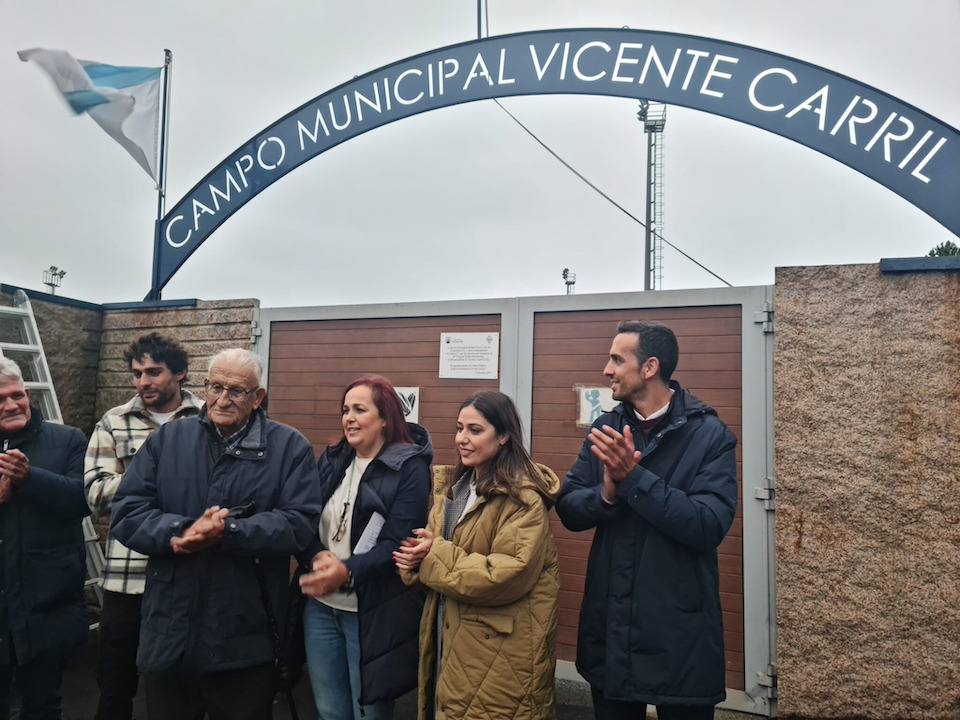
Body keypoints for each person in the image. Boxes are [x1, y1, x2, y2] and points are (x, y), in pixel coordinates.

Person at [110, 348, 322, 720]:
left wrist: (230, 532)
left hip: (243, 638)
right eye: (215, 387)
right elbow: (128, 512)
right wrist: (182, 530)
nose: (222, 399)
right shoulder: (168, 440)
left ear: (258, 397)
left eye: (237, 391)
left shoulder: (290, 448)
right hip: (169, 633)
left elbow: (298, 523)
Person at [555, 321, 738, 720]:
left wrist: (633, 480)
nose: (607, 370)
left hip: (680, 639)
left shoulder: (710, 436)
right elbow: (567, 507)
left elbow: (709, 525)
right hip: (612, 632)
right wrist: (606, 494)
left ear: (650, 366)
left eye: (617, 359)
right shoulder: (606, 429)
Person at [393, 390, 560, 720]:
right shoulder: (454, 488)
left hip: (498, 657)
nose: (462, 439)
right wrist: (414, 560)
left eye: (475, 430)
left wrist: (433, 555)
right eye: (459, 428)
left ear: (503, 437)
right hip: (449, 636)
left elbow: (506, 574)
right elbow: (431, 550)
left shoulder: (523, 498)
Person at [299, 374, 432, 720]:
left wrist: (345, 571)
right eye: (345, 410)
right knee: (330, 711)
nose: (349, 418)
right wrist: (315, 553)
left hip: (371, 612)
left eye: (360, 409)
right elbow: (302, 519)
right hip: (321, 610)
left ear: (386, 418)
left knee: (369, 714)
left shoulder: (410, 467)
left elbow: (397, 542)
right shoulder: (333, 459)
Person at [84, 332, 203, 720]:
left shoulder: (206, 418)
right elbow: (96, 494)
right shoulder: (113, 421)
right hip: (125, 579)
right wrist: (157, 475)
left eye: (154, 372)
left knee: (178, 687)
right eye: (137, 373)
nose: (143, 382)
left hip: (186, 576)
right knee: (115, 687)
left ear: (181, 373)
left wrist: (139, 484)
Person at [0, 356, 89, 719]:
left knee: (43, 704)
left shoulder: (68, 440)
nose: (11, 405)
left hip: (48, 604)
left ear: (27, 391)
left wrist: (30, 478)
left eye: (16, 394)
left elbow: (83, 500)